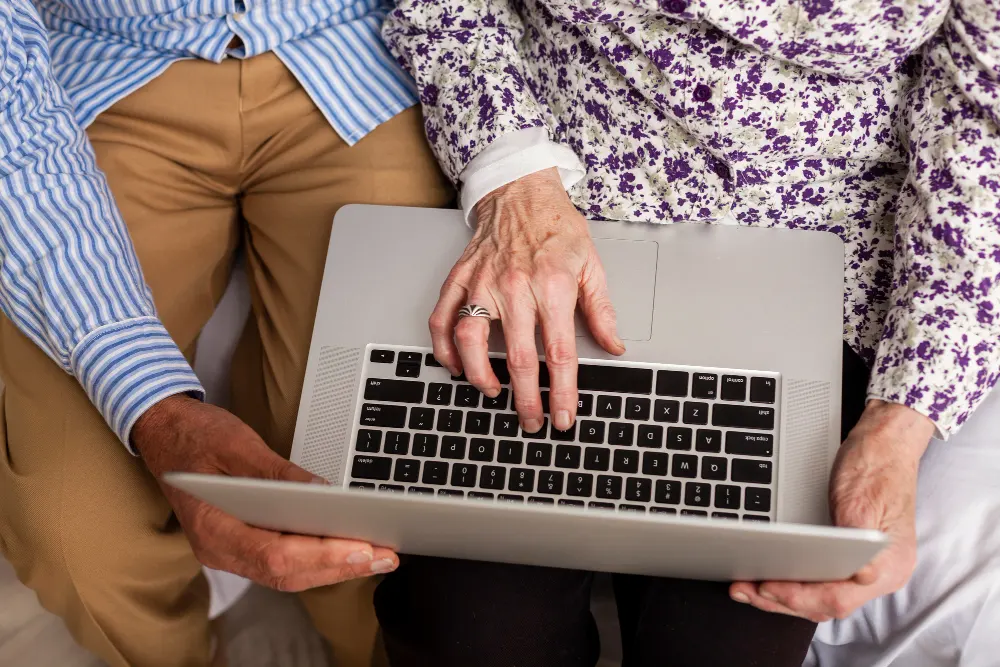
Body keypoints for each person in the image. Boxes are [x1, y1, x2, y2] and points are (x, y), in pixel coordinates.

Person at [375, 0, 1000, 664]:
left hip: (817, 266)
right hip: (553, 224)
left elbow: (980, 126)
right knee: (465, 631)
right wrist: (515, 186)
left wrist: (896, 433)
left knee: (727, 643)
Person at [0, 1, 451, 666]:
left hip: (363, 57)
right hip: (84, 78)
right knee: (75, 531)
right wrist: (152, 405)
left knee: (379, 477)